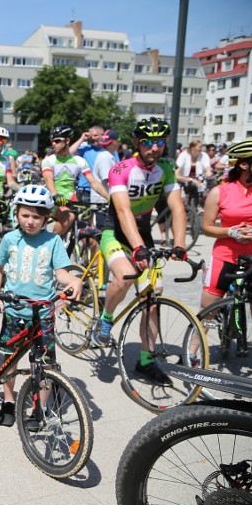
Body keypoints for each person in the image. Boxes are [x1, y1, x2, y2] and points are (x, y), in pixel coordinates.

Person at [90, 117, 188, 385]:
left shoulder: (166, 167)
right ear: (137, 143)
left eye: (159, 142)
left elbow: (177, 207)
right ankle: (106, 318)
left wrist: (179, 243)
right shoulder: (121, 169)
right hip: (116, 232)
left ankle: (146, 361)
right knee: (123, 277)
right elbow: (122, 211)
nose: (153, 148)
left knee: (152, 298)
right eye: (147, 142)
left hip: (143, 236)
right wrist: (138, 249)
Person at [0, 185, 81, 426]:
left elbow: (61, 273)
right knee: (9, 358)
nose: (30, 221)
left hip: (43, 313)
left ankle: (41, 407)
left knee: (44, 363)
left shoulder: (53, 241)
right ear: (16, 214)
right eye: (25, 215)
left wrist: (74, 280)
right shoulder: (10, 239)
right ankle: (8, 401)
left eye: (36, 217)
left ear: (46, 218)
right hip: (15, 311)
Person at [198, 137, 252, 332]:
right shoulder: (220, 191)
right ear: (243, 165)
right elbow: (206, 227)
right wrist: (230, 232)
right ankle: (193, 354)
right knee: (207, 311)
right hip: (225, 256)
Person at [41, 125, 108, 237]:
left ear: (67, 140)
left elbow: (94, 182)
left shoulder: (79, 161)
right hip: (55, 201)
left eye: (57, 141)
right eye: (52, 141)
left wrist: (109, 198)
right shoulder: (49, 161)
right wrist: (55, 194)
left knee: (92, 237)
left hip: (73, 201)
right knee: (69, 217)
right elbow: (48, 179)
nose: (53, 144)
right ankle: (49, 245)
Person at [69, 125, 105, 205]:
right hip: (85, 189)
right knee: (84, 216)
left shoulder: (108, 150)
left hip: (102, 189)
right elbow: (68, 153)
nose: (93, 138)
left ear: (102, 135)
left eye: (95, 135)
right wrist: (82, 139)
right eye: (91, 136)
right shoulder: (85, 148)